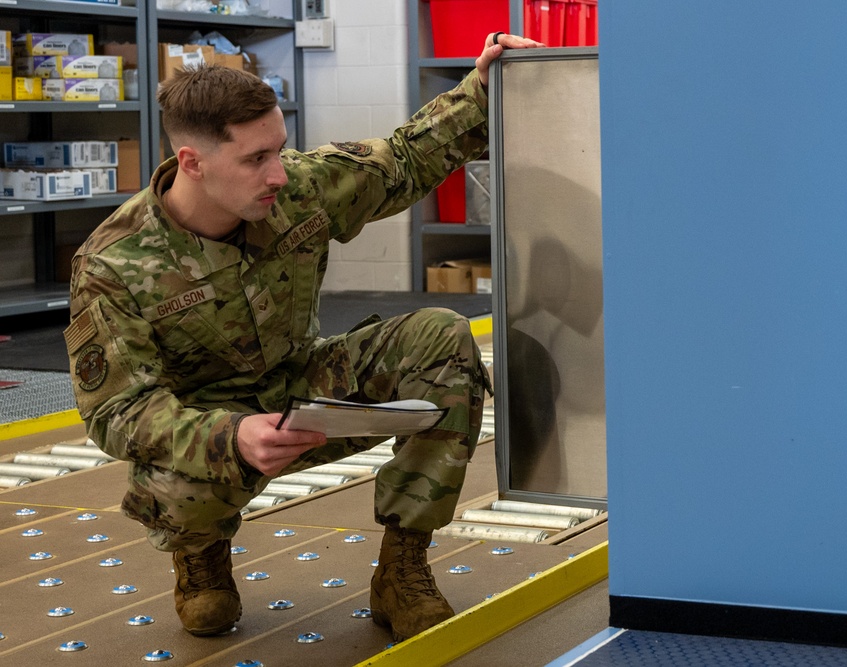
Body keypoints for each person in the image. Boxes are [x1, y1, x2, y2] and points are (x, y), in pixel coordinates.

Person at [63, 31, 541, 642]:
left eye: (279, 151)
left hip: (299, 388)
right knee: (168, 482)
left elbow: (403, 158)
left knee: (441, 337)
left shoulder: (296, 187)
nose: (278, 175)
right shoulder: (113, 263)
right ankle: (201, 556)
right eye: (255, 159)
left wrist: (483, 85)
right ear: (192, 162)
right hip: (211, 430)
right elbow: (117, 413)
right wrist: (231, 435)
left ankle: (402, 567)